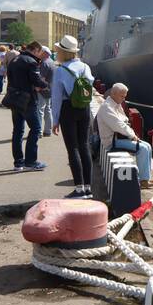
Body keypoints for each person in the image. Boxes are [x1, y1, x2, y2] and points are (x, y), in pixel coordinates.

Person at [52, 35, 95, 198]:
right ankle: (88, 188)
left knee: (73, 148)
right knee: (84, 146)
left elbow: (56, 97)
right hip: (84, 108)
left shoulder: (60, 70)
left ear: (62, 52)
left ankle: (79, 189)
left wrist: (55, 120)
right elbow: (89, 85)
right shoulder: (85, 67)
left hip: (68, 109)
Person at [95, 82, 153, 189]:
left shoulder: (115, 104)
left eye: (124, 96)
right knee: (143, 149)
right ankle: (143, 180)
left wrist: (129, 132)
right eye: (122, 96)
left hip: (119, 138)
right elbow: (119, 125)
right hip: (112, 141)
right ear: (113, 94)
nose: (123, 99)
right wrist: (132, 135)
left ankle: (146, 177)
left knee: (148, 146)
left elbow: (124, 120)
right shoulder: (107, 108)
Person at [5, 41, 48, 171]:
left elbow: (10, 78)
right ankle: (31, 161)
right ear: (35, 50)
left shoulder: (14, 60)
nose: (40, 55)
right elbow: (36, 81)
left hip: (14, 98)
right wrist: (45, 84)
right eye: (39, 52)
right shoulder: (31, 62)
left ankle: (18, 162)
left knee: (18, 130)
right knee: (35, 128)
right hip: (28, 100)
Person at [39, 46, 57, 136]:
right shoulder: (52, 62)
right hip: (50, 89)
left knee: (40, 110)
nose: (38, 53)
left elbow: (42, 79)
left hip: (43, 90)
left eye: (40, 52)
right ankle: (48, 130)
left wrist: (37, 88)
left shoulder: (44, 63)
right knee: (48, 110)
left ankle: (38, 131)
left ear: (45, 53)